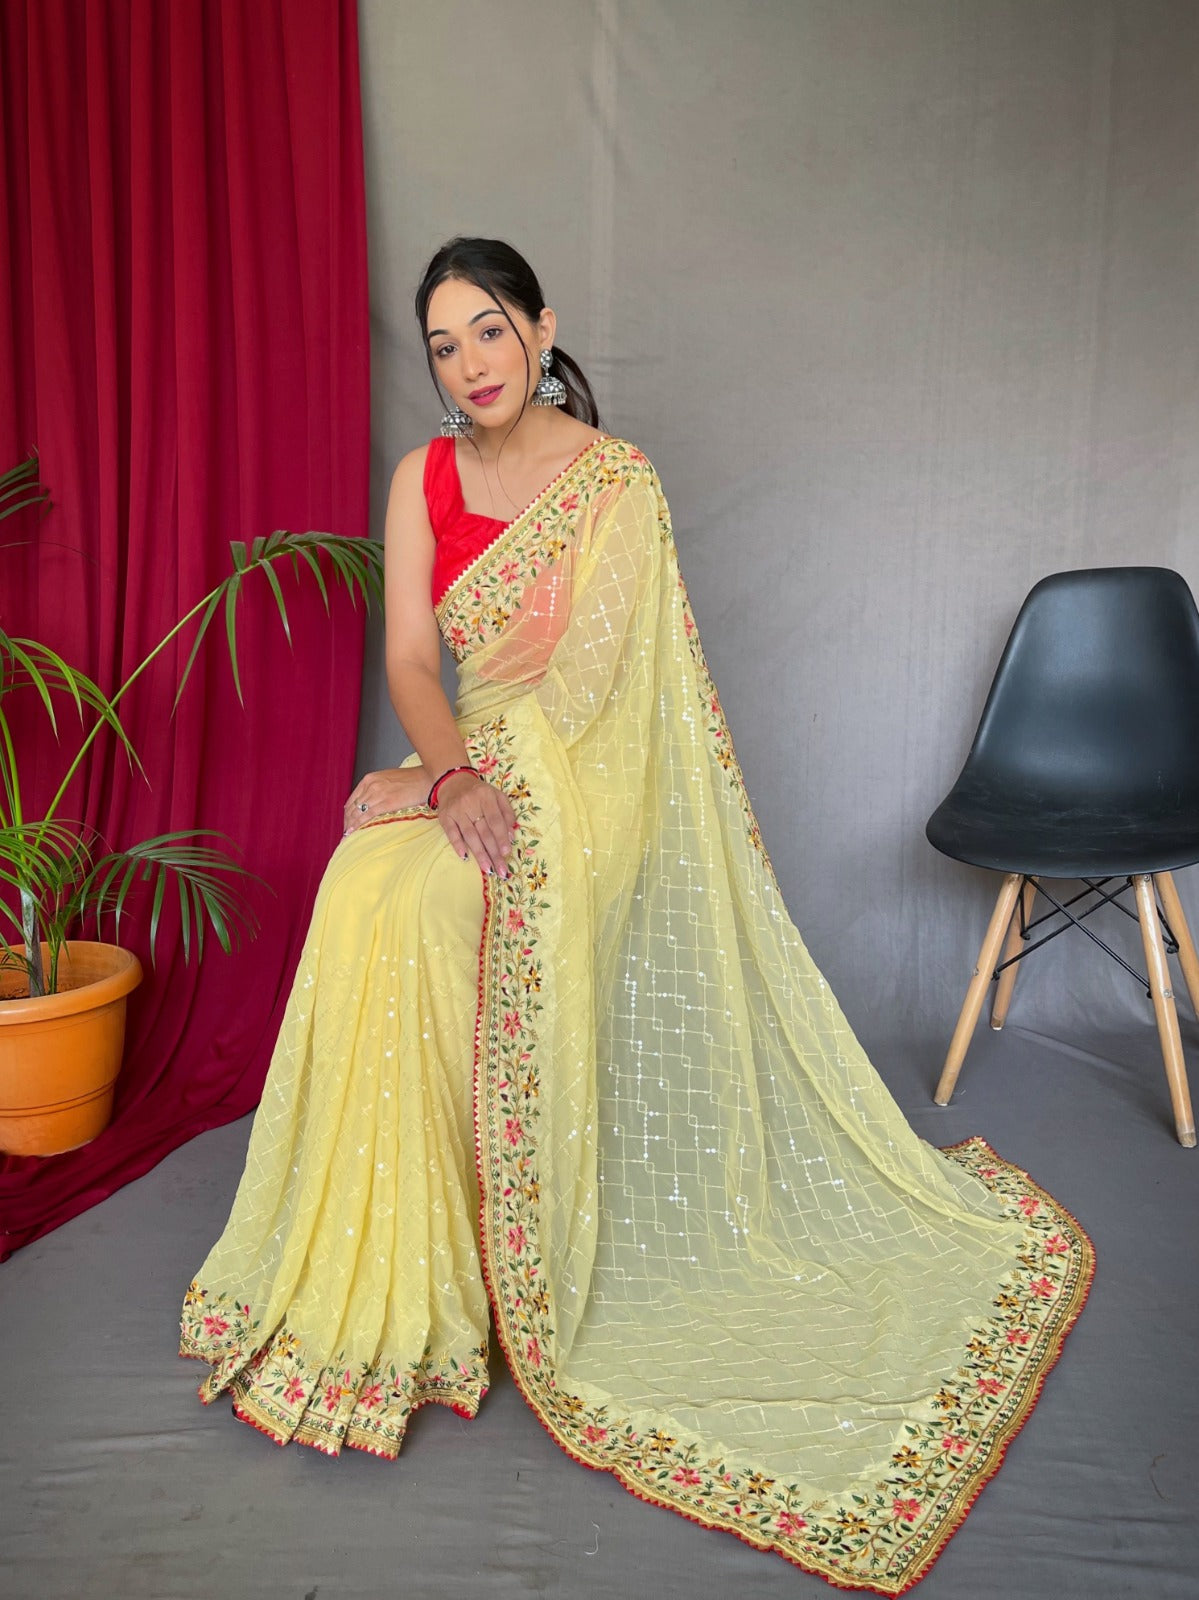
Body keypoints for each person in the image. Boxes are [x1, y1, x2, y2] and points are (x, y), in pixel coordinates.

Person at [181, 237, 1092, 1594]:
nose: (470, 364)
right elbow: (415, 657)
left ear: (542, 329)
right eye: (443, 345)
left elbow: (594, 689)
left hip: (587, 782)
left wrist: (469, 783)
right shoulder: (420, 477)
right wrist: (445, 774)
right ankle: (414, 1261)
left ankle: (495, 1254)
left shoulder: (616, 483)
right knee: (367, 881)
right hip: (477, 759)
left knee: (440, 897)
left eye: (490, 331)